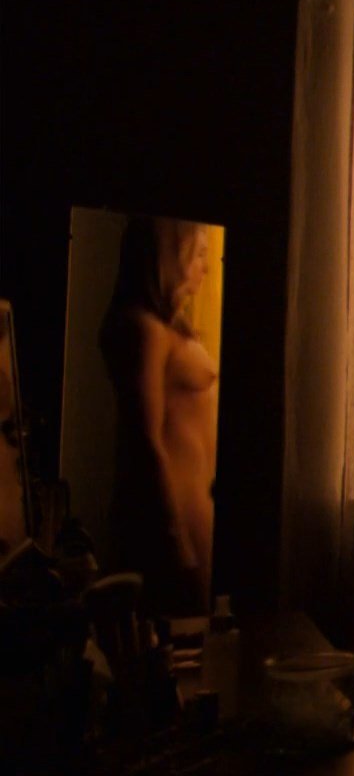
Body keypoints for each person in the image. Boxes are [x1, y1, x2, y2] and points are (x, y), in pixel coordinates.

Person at [98, 216, 217, 616]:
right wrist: (176, 540)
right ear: (171, 256)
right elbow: (144, 439)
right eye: (198, 254)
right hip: (169, 525)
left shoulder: (169, 328)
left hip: (193, 518)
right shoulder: (144, 329)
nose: (206, 267)